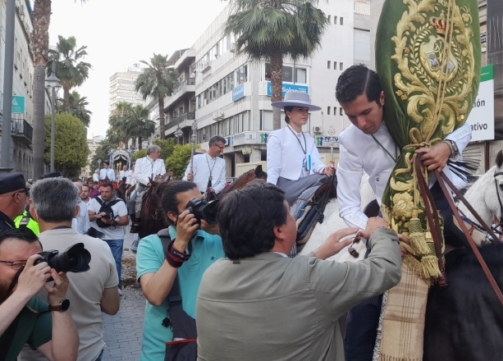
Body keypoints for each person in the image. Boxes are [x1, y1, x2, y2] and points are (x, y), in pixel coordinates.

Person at [334, 64, 471, 360]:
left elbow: (464, 125)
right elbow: (347, 204)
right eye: (351, 116)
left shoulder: (416, 107)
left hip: (439, 206)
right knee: (365, 302)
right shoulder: (349, 140)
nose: (360, 123)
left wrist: (447, 146)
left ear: (382, 98)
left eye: (366, 112)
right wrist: (378, 231)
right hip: (391, 222)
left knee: (473, 264)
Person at [196, 182, 401, 361]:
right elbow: (386, 269)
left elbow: (279, 282)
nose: (295, 220)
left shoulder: (211, 276)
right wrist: (380, 233)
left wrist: (318, 253)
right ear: (278, 230)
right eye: (291, 215)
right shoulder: (311, 280)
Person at [18, 178, 119, 361]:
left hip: (35, 355)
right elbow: (112, 307)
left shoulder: (20, 254)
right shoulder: (101, 248)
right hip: (88, 351)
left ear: (34, 212)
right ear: (76, 211)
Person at [135, 181, 224, 361]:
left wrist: (223, 230)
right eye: (193, 206)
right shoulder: (150, 244)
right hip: (163, 351)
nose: (201, 209)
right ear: (173, 215)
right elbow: (154, 295)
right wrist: (180, 244)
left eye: (202, 202)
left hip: (212, 348)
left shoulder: (218, 238)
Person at [0, 230, 79, 361]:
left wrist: (58, 303)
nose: (29, 272)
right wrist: (22, 293)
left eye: (35, 264)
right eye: (18, 264)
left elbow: (66, 358)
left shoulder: (31, 305)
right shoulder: (22, 297)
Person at [266, 92, 335, 205]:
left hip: (306, 184)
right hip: (285, 188)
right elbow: (273, 170)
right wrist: (270, 196)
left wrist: (324, 169)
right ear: (289, 113)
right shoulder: (277, 137)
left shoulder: (309, 139)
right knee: (322, 178)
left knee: (329, 175)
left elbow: (315, 162)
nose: (305, 113)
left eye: (306, 110)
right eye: (300, 110)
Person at [87, 182, 129, 289]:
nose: (104, 194)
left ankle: (117, 286)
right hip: (97, 236)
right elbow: (88, 216)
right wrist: (97, 216)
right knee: (95, 261)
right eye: (102, 192)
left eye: (107, 192)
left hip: (116, 237)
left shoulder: (120, 203)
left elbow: (125, 221)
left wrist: (113, 222)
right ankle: (96, 286)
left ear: (113, 192)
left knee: (116, 261)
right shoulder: (94, 201)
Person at [129, 145, 166, 215]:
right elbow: (137, 175)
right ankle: (133, 219)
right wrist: (147, 182)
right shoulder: (140, 161)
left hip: (157, 186)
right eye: (158, 152)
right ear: (152, 152)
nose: (159, 154)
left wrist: (159, 180)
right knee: (132, 200)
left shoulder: (161, 161)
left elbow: (163, 173)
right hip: (143, 186)